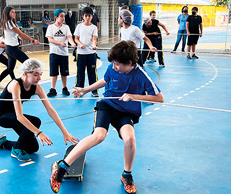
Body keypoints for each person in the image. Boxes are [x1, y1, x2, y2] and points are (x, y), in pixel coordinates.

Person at [49, 40, 164, 194]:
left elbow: (159, 98)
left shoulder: (141, 75)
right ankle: (62, 167)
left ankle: (126, 175)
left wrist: (133, 96)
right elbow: (105, 80)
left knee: (130, 139)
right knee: (99, 136)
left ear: (129, 63)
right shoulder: (112, 68)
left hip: (126, 112)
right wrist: (85, 90)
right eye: (113, 64)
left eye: (117, 64)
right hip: (107, 105)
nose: (114, 67)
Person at [0, 58, 79, 162]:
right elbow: (19, 116)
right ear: (25, 73)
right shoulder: (16, 85)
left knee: (32, 148)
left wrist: (65, 132)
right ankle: (16, 149)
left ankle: (3, 143)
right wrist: (38, 133)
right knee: (35, 121)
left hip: (15, 116)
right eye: (36, 74)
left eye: (40, 74)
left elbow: (50, 110)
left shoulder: (37, 88)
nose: (39, 78)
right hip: (2, 116)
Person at [0, 6, 40, 86]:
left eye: (14, 12)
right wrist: (32, 40)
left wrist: (19, 37)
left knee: (10, 68)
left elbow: (17, 34)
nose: (14, 14)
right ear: (7, 13)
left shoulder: (12, 22)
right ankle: (29, 82)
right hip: (12, 49)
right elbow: (21, 33)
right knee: (28, 63)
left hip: (12, 48)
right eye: (12, 12)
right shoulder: (8, 23)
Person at [45, 9, 76, 97]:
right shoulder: (51, 27)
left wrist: (72, 43)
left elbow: (69, 37)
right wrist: (59, 43)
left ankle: (64, 88)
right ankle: (53, 89)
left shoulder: (66, 27)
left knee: (64, 72)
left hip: (64, 54)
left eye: (64, 16)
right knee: (54, 72)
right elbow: (50, 39)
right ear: (56, 17)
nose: (63, 18)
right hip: (54, 53)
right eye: (61, 16)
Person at [74, 7, 98, 97]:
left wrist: (94, 45)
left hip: (91, 54)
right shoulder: (79, 26)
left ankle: (94, 90)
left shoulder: (94, 27)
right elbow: (76, 39)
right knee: (80, 72)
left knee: (92, 72)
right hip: (81, 53)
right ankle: (79, 90)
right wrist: (80, 44)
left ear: (92, 16)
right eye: (86, 16)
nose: (87, 18)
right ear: (83, 16)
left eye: (89, 16)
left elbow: (94, 39)